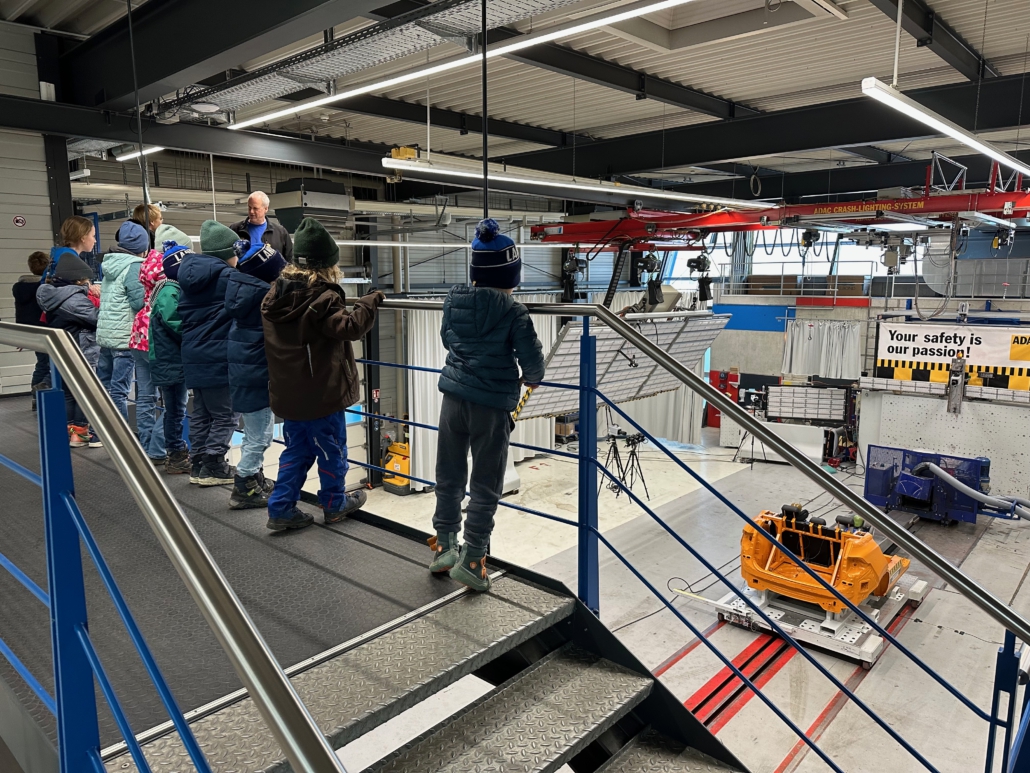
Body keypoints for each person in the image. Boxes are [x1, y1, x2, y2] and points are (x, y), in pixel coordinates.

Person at [428, 219, 545, 592]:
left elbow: (447, 339)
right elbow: (532, 361)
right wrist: (532, 376)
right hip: (491, 407)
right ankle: (474, 559)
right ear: (511, 275)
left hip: (453, 400)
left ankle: (444, 547)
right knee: (485, 482)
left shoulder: (453, 299)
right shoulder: (514, 311)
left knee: (449, 474)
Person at [261, 217, 383, 531]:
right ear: (327, 265)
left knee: (296, 451)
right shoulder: (322, 298)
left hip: (289, 394)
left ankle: (281, 507)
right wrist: (370, 301)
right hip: (321, 394)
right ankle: (334, 504)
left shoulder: (275, 296)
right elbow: (350, 327)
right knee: (332, 451)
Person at [225, 239, 287, 509]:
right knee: (260, 436)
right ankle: (244, 486)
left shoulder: (244, 296)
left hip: (245, 375)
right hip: (257, 378)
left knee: (255, 433)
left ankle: (254, 477)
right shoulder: (265, 301)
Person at [179, 220, 240, 486]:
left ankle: (198, 463)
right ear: (228, 253)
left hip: (193, 355)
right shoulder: (227, 278)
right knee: (227, 414)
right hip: (218, 355)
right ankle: (214, 464)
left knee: (202, 413)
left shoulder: (188, 278)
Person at [36, 251, 100, 447]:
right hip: (80, 351)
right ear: (78, 281)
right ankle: (80, 433)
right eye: (86, 280)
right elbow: (97, 318)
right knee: (84, 393)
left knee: (68, 393)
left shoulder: (52, 294)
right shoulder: (74, 300)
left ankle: (70, 431)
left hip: (63, 350)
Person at [128, 218, 173, 463]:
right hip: (156, 337)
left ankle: (145, 445)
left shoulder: (147, 264)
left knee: (145, 396)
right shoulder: (169, 269)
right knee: (174, 400)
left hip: (138, 334)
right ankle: (157, 447)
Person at [149, 228, 193, 474]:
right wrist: (195, 332)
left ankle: (175, 451)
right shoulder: (169, 292)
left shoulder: (167, 288)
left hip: (171, 361)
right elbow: (175, 322)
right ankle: (175, 454)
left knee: (176, 409)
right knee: (175, 410)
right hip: (170, 362)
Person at [97, 221, 147, 424]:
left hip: (106, 337)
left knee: (104, 388)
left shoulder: (110, 264)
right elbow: (138, 302)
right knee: (119, 392)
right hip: (124, 340)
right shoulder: (134, 267)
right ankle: (122, 438)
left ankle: (100, 432)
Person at [12, 250, 51, 408]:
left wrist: (21, 335)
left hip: (29, 331)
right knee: (49, 364)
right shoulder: (44, 286)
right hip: (45, 330)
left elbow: (20, 312)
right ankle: (40, 390)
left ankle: (36, 397)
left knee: (42, 363)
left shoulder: (19, 288)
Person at [230, 191, 293, 262]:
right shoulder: (235, 229)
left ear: (266, 209)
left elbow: (289, 260)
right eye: (249, 207)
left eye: (255, 208)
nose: (251, 211)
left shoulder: (280, 232)